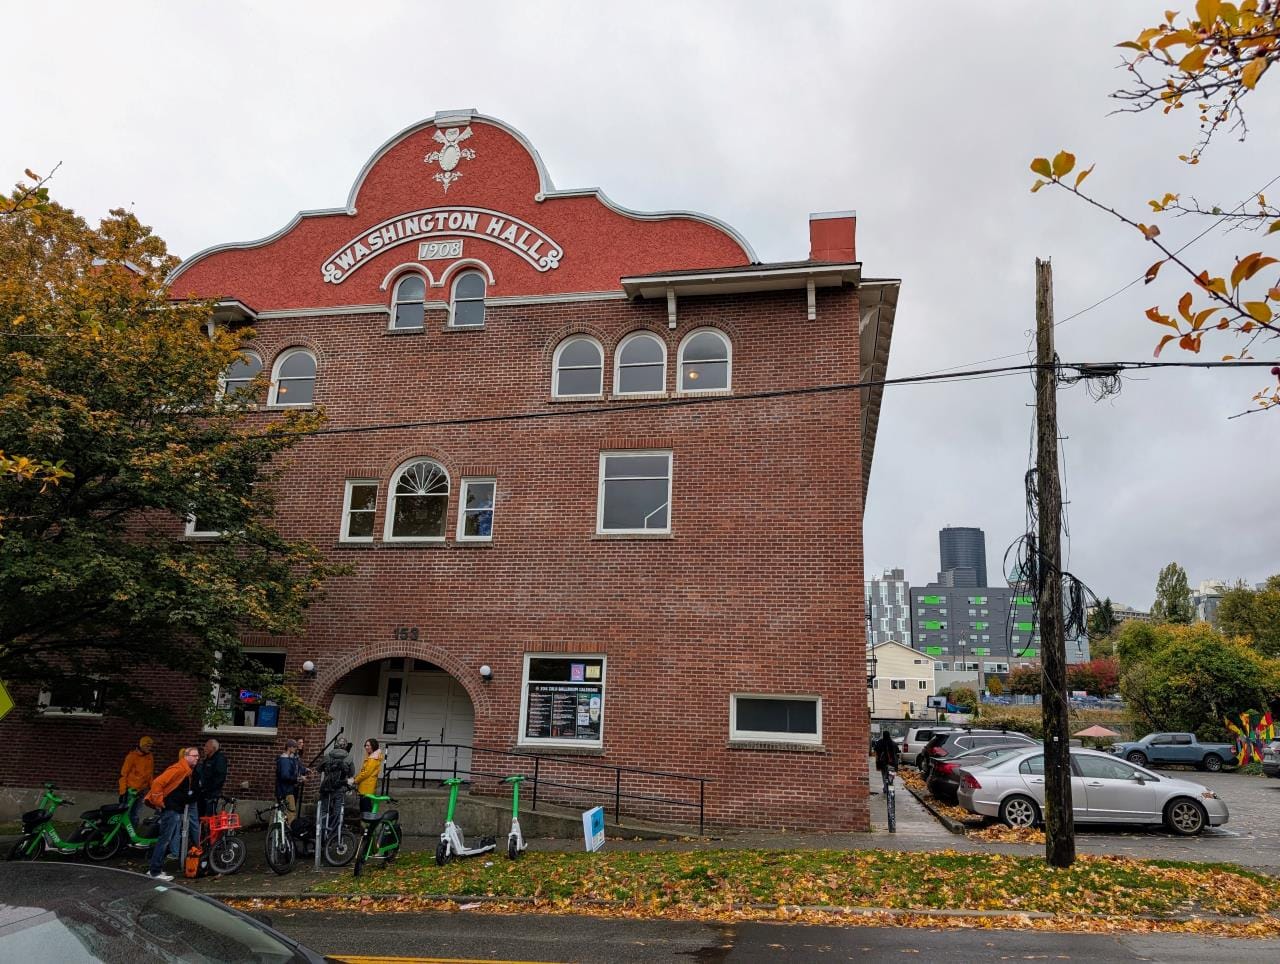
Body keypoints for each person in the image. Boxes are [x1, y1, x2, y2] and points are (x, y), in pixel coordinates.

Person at [145, 746, 200, 881]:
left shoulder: (187, 771)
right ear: (185, 756)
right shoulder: (179, 769)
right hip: (171, 809)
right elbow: (158, 782)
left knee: (165, 839)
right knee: (164, 840)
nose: (197, 758)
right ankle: (155, 871)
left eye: (198, 756)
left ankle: (154, 868)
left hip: (174, 808)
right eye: (194, 756)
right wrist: (159, 801)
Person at [318, 739, 355, 839]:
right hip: (339, 788)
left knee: (324, 811)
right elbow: (352, 774)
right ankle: (334, 835)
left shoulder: (327, 756)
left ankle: (321, 834)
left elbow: (319, 769)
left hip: (327, 788)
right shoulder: (349, 757)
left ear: (335, 745)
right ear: (345, 746)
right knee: (337, 812)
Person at [118, 736, 155, 827]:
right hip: (131, 790)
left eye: (150, 746)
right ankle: (122, 831)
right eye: (147, 746)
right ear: (141, 745)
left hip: (142, 790)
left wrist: (153, 788)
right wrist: (123, 791)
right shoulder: (132, 757)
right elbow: (123, 774)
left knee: (136, 813)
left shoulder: (150, 757)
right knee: (126, 813)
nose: (149, 748)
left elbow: (150, 774)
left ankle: (133, 831)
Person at [349, 738, 382, 814]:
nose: (366, 747)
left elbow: (366, 773)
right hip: (366, 785)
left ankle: (366, 824)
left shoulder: (373, 759)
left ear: (373, 746)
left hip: (367, 786)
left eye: (368, 746)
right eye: (365, 745)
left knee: (365, 808)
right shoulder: (371, 756)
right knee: (365, 807)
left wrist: (355, 780)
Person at [197, 738, 228, 818]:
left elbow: (220, 777)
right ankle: (202, 829)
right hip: (203, 793)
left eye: (207, 747)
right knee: (200, 815)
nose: (204, 749)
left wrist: (209, 789)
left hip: (211, 794)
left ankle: (209, 830)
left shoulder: (219, 759)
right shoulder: (207, 759)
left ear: (213, 748)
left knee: (209, 816)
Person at [276, 739, 304, 822]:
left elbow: (296, 768)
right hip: (286, 791)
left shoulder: (288, 759)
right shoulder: (285, 760)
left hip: (284, 790)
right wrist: (298, 779)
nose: (296, 749)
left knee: (283, 813)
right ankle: (287, 833)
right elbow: (285, 776)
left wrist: (304, 770)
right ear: (289, 748)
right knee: (290, 814)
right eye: (294, 747)